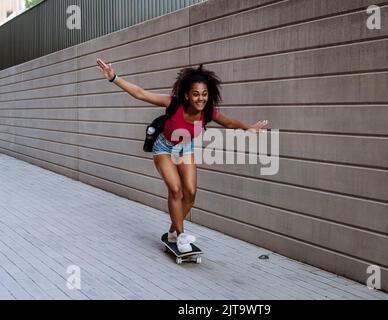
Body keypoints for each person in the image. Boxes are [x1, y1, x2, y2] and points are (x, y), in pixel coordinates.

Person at [96, 58, 268, 252]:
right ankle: (182, 235)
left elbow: (229, 123)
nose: (200, 99)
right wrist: (114, 78)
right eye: (195, 94)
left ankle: (173, 232)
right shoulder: (174, 104)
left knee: (191, 193)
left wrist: (249, 128)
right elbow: (141, 94)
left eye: (204, 94)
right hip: (164, 147)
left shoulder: (208, 112)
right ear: (187, 95)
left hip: (186, 148)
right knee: (176, 190)